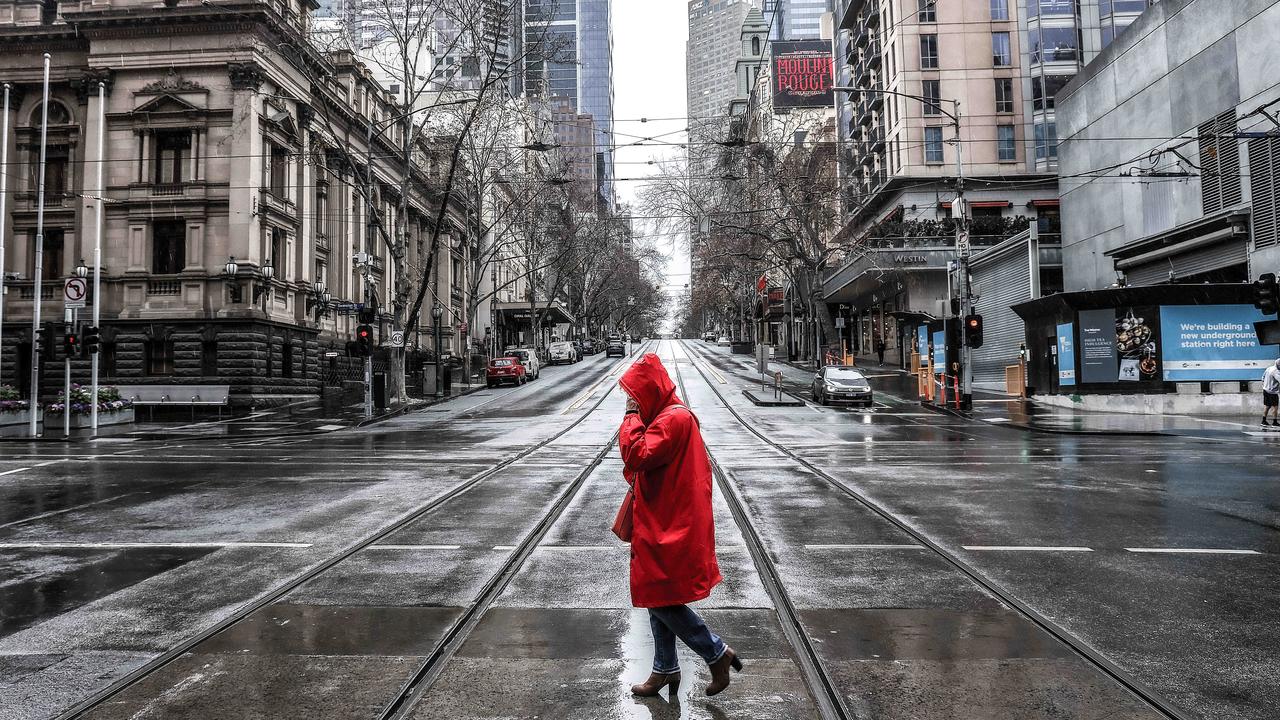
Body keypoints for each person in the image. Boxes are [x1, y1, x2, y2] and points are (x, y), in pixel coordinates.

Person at [618, 353, 743, 698]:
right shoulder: (671, 417)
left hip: (670, 525)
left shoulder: (671, 420)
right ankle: (665, 668)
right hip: (667, 519)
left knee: (658, 597)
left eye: (635, 396)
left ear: (648, 393)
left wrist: (630, 416)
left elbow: (635, 454)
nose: (632, 402)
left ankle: (715, 652)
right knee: (658, 593)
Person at [1263, 358, 1280, 427]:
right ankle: (1274, 422)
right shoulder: (1276, 371)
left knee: (1267, 406)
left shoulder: (1269, 368)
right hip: (1272, 392)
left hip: (1265, 390)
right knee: (1275, 407)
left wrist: (1265, 385)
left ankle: (1263, 421)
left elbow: (1263, 377)